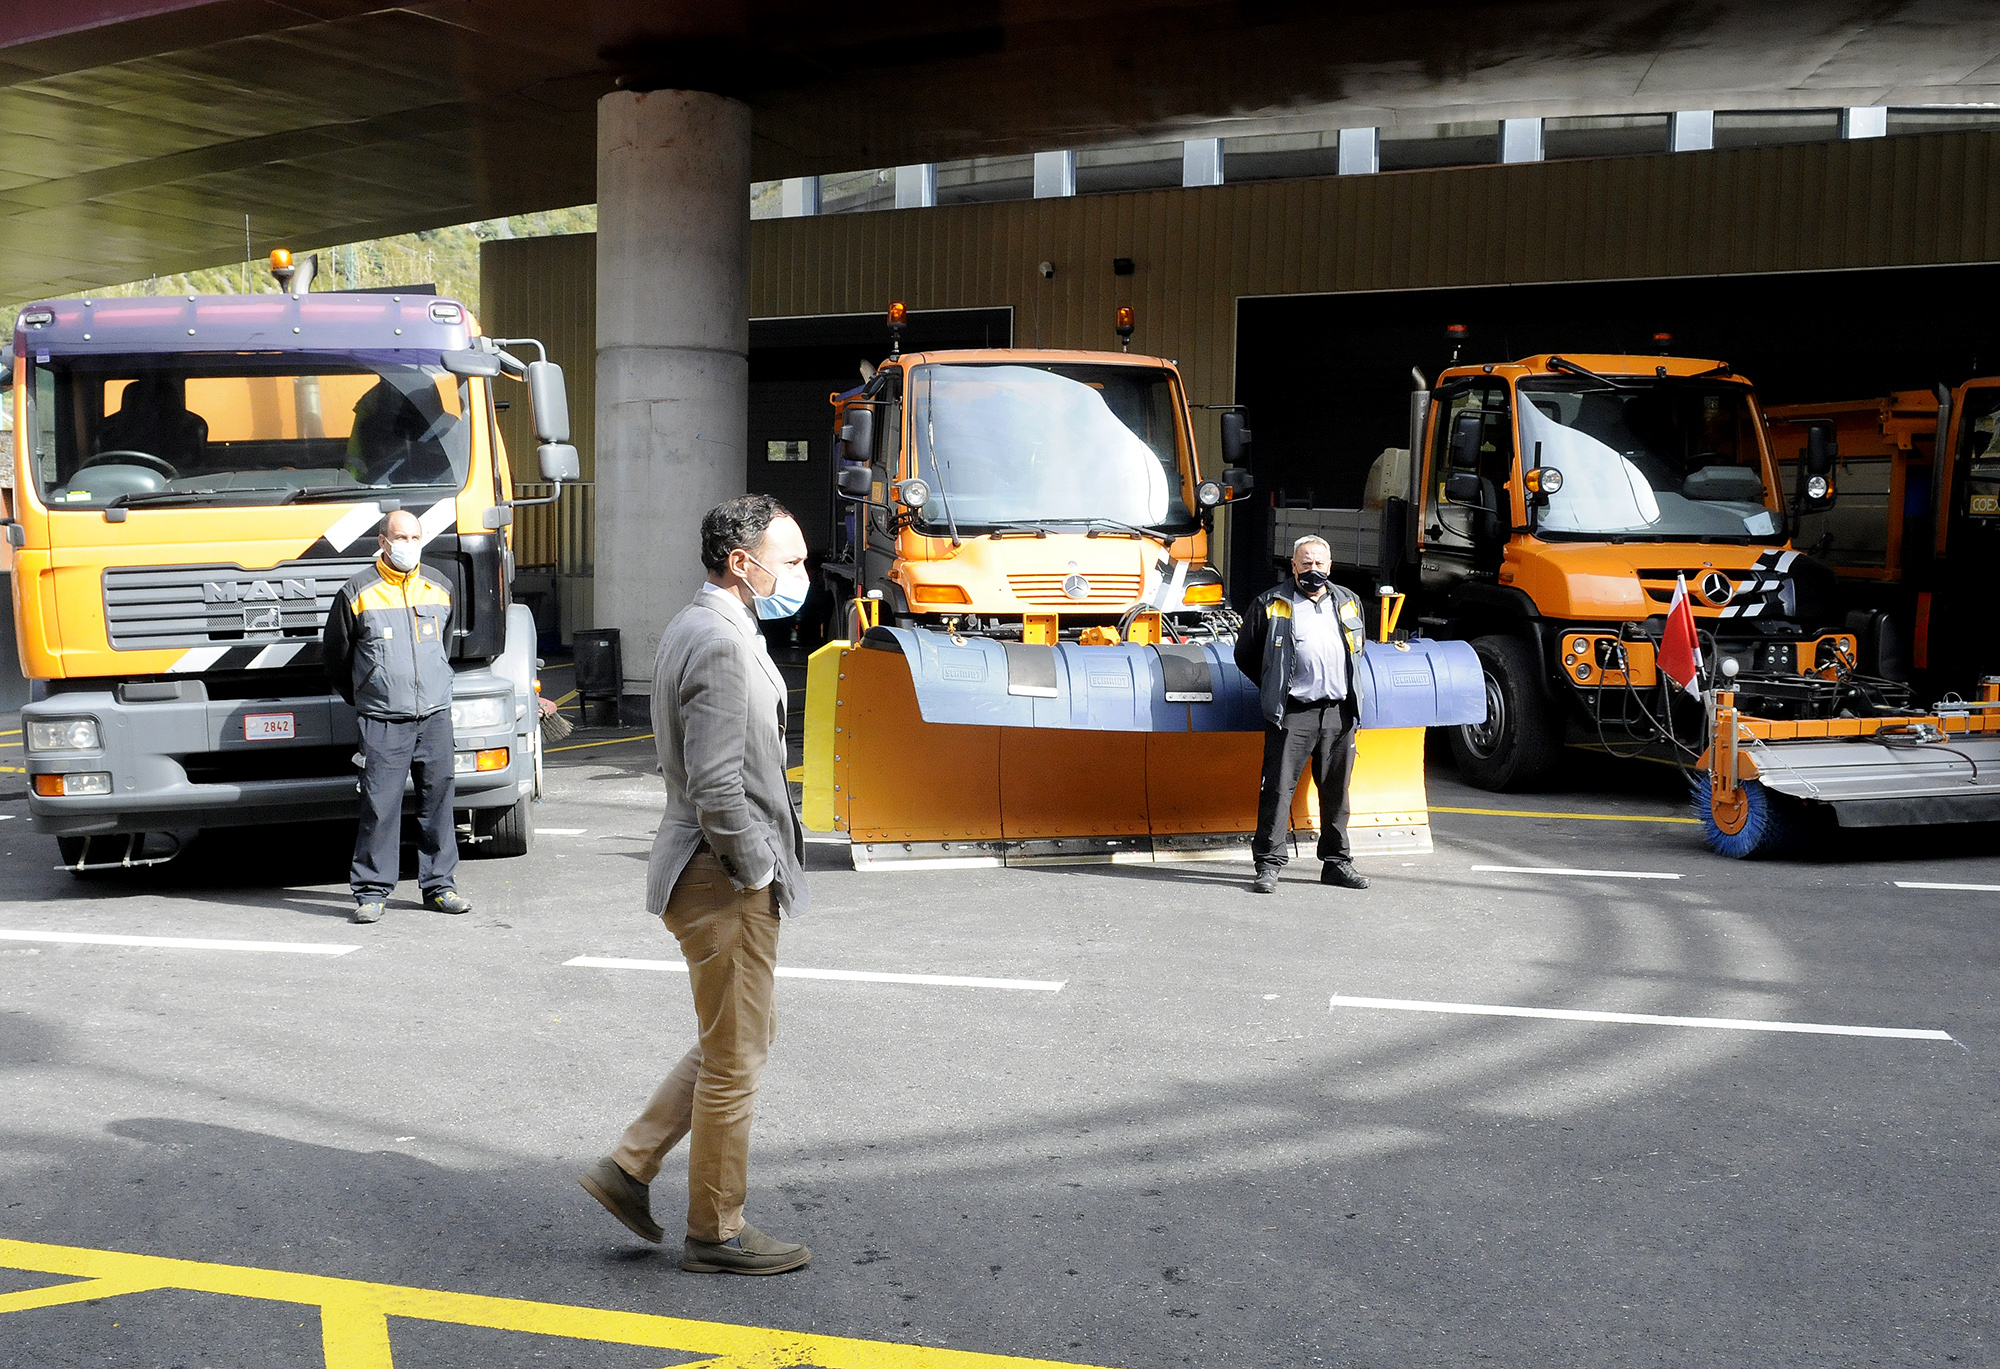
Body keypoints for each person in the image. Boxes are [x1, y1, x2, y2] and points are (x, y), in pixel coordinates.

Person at [579, 493, 814, 1277]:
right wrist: (755, 869)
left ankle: (630, 1165)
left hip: (708, 874)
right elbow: (716, 783)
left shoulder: (704, 623)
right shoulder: (717, 640)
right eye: (793, 561)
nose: (805, 574)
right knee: (737, 1057)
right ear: (741, 564)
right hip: (721, 877)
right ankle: (715, 1229)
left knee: (739, 1039)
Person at [321, 509, 472, 924]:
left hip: (435, 716)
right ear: (383, 542)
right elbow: (335, 658)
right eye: (400, 537)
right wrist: (369, 695)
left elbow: (442, 645)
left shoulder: (440, 587)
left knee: (438, 803)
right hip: (383, 720)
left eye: (415, 536)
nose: (409, 544)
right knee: (379, 806)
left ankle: (440, 886)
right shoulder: (357, 592)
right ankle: (371, 893)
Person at [1234, 534, 1371, 895]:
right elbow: (1246, 655)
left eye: (1319, 563)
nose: (1313, 569)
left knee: (1336, 793)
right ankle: (1268, 866)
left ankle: (1337, 863)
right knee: (1278, 791)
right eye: (1305, 563)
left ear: (1330, 566)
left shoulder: (1348, 601)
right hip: (1292, 714)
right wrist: (1274, 686)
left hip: (1338, 713)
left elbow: (1358, 649)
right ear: (1293, 565)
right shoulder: (1270, 602)